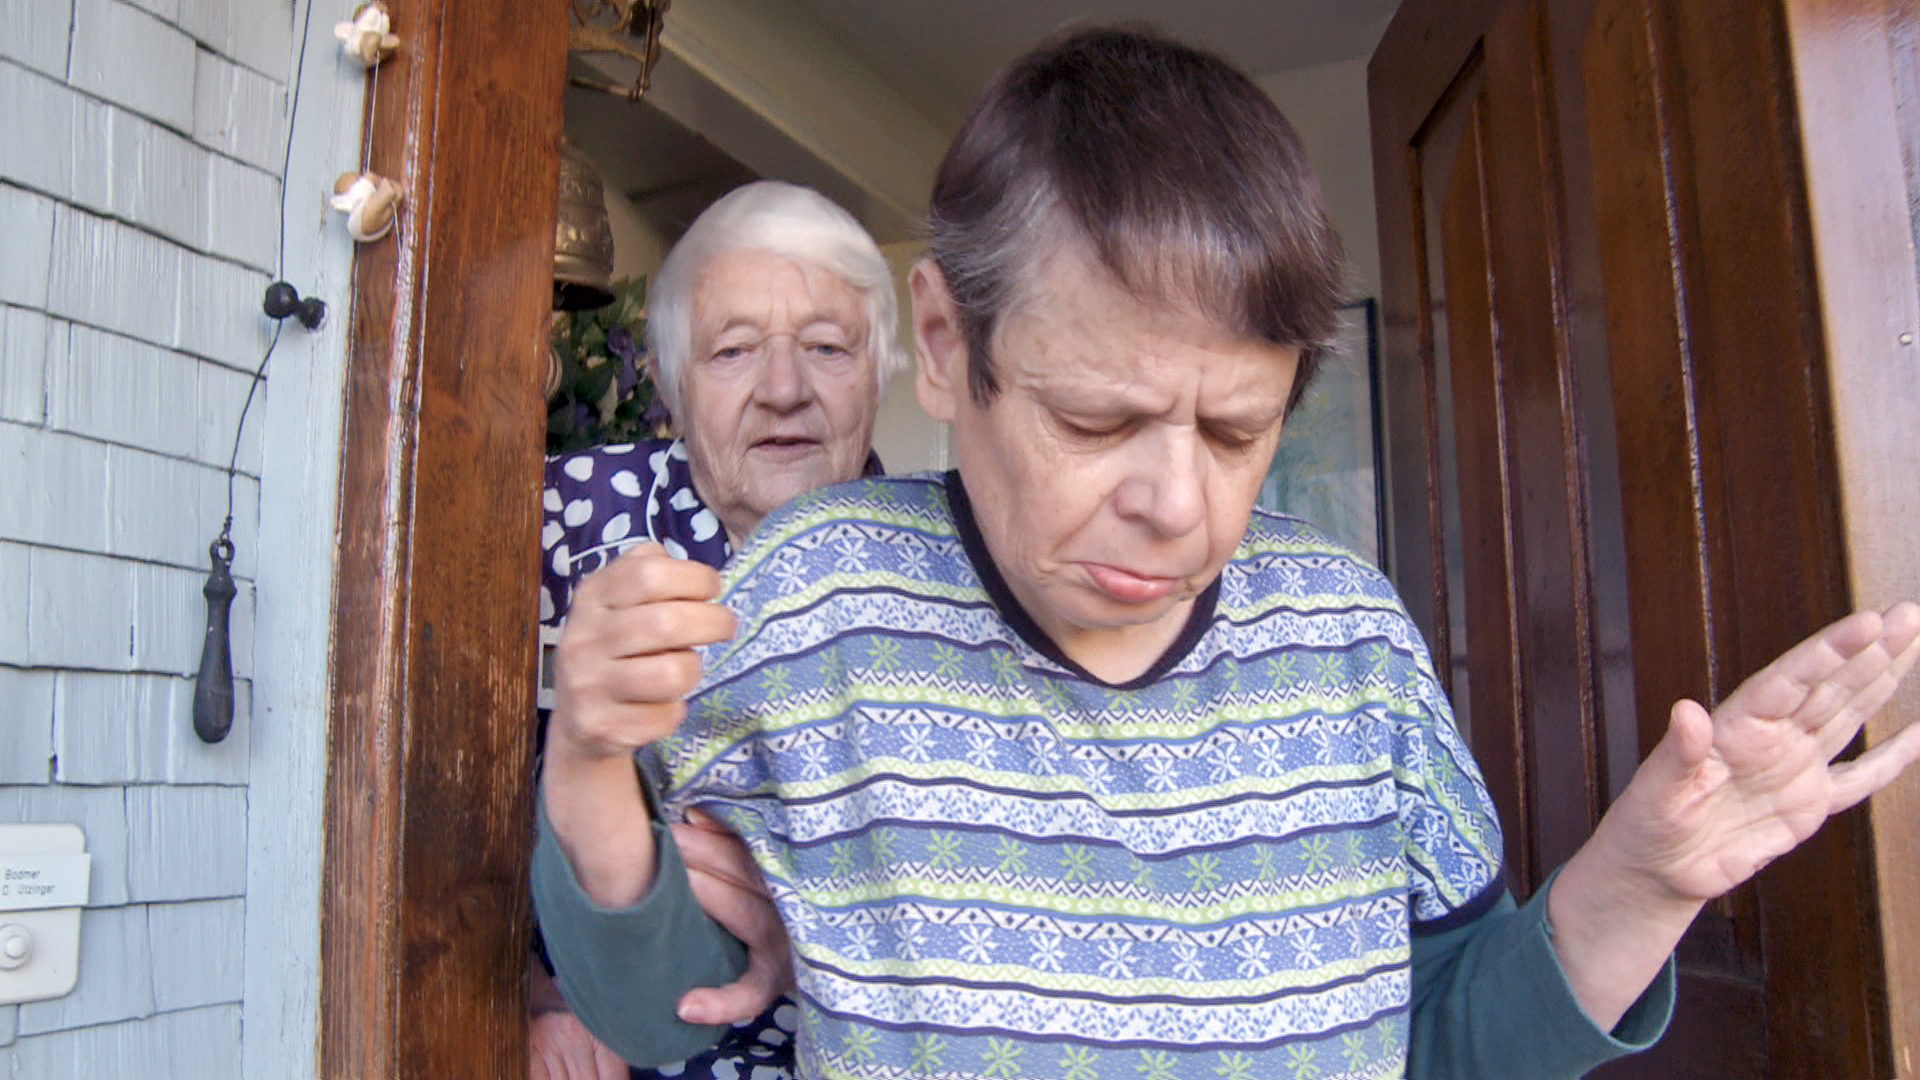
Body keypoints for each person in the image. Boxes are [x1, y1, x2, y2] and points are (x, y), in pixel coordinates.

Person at [531, 27, 1920, 1080]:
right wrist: (591, 773)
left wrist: (1642, 880)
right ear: (948, 347)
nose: (1178, 505)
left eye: (1238, 430)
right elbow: (663, 1010)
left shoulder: (1350, 643)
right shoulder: (813, 602)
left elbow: (1441, 1040)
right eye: (1098, 419)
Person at [530, 179, 907, 1080]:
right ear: (667, 381)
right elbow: (421, 799)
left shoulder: (941, 569)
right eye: (733, 350)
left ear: (882, 372)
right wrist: (520, 991)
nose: (784, 389)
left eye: (826, 346)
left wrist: (824, 938)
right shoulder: (559, 519)